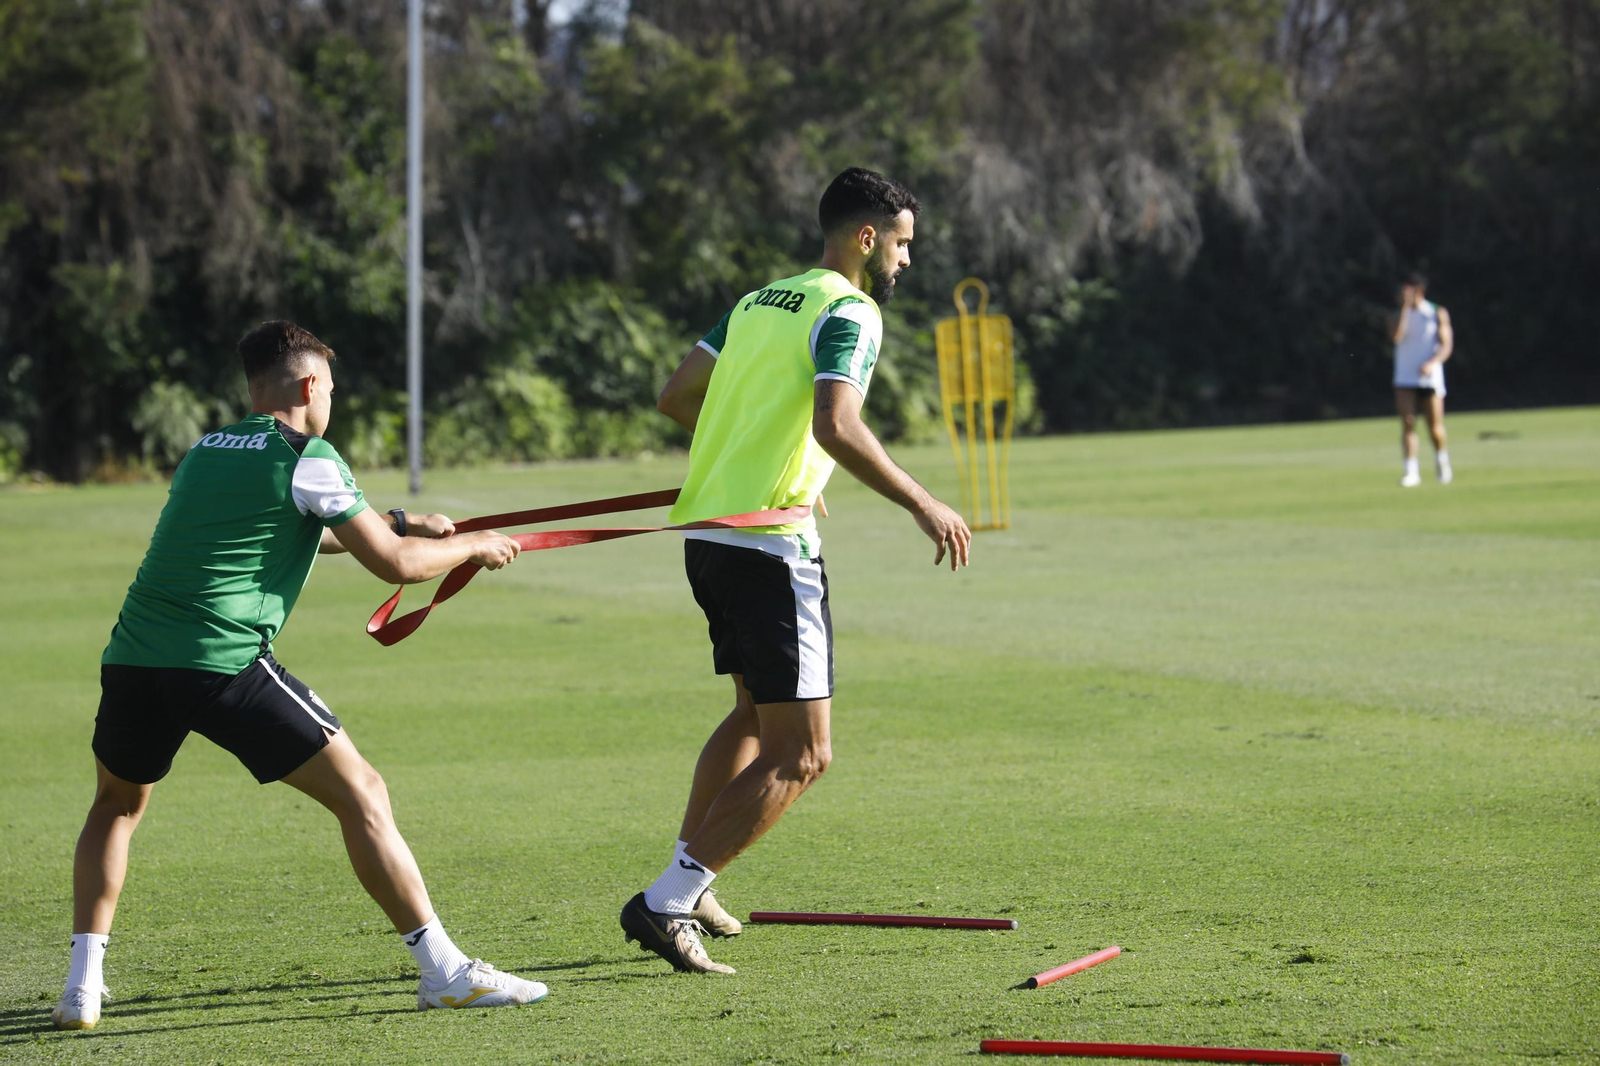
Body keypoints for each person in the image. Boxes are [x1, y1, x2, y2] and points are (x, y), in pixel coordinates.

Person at [54, 321, 545, 1031]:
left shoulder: (206, 449)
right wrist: (474, 545)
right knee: (363, 793)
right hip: (219, 660)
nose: (332, 402)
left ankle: (81, 988)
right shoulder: (309, 453)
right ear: (312, 385)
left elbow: (297, 524)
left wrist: (409, 519)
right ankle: (444, 973)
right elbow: (394, 566)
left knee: (117, 807)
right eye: (333, 390)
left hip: (133, 657)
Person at [622, 167, 972, 974]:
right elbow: (838, 423)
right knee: (805, 754)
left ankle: (690, 878)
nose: (905, 261)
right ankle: (669, 898)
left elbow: (679, 397)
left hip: (710, 537)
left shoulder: (758, 301)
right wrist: (923, 502)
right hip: (769, 548)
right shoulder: (851, 310)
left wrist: (758, 462)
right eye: (903, 243)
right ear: (866, 237)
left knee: (751, 717)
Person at [1391, 272, 1455, 487]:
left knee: (1434, 427)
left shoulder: (1436, 312)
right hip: (1404, 376)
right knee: (1408, 423)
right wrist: (1403, 310)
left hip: (1430, 377)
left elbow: (1446, 345)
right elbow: (1395, 337)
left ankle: (1441, 461)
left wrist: (1432, 363)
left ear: (1418, 290)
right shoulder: (1397, 313)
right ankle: (1411, 471)